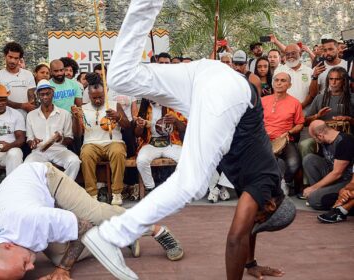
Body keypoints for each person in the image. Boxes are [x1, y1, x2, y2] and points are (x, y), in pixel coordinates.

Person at [81, 1, 296, 280]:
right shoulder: (264, 185)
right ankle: (111, 235)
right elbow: (235, 238)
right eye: (260, 218)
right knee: (191, 183)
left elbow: (247, 232)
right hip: (228, 96)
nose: (251, 219)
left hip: (208, 75)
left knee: (122, 78)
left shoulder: (263, 187)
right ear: (269, 206)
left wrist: (251, 264)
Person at [0, 162, 183, 279]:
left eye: (24, 264)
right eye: (26, 270)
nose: (32, 266)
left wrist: (64, 269)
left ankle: (155, 230)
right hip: (24, 200)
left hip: (43, 178)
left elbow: (84, 225)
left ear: (9, 245)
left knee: (94, 214)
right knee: (57, 255)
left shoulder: (33, 219)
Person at [72, 73, 131, 205]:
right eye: (94, 98)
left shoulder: (114, 105)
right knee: (86, 154)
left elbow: (127, 126)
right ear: (88, 94)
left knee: (118, 152)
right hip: (91, 144)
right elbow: (77, 134)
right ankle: (92, 194)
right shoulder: (83, 108)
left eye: (100, 97)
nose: (98, 100)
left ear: (105, 93)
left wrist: (118, 117)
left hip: (113, 142)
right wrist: (76, 119)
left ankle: (116, 193)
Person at [25, 80, 81, 180]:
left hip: (59, 151)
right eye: (42, 94)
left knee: (74, 161)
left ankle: (63, 187)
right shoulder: (31, 115)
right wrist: (33, 143)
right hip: (39, 152)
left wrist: (60, 139)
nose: (45, 97)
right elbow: (29, 139)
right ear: (38, 96)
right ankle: (39, 192)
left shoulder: (64, 114)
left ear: (53, 93)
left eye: (48, 93)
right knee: (27, 165)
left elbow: (70, 139)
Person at [262, 72, 305, 195]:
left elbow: (300, 124)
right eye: (276, 80)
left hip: (284, 139)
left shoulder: (295, 103)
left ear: (289, 85)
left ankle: (284, 182)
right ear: (273, 83)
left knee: (294, 163)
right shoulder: (263, 101)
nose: (279, 83)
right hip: (264, 139)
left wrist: (289, 132)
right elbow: (255, 121)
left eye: (283, 80)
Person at [303, 120, 354, 210]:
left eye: (315, 138)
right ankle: (318, 192)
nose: (315, 140)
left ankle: (342, 202)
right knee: (309, 159)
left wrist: (313, 188)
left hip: (346, 180)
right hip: (332, 174)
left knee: (314, 200)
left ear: (320, 136)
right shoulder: (325, 141)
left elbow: (337, 173)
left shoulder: (345, 142)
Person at [0, 42, 37, 118]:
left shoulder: (28, 74)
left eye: (16, 58)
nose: (12, 61)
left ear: (20, 59)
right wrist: (22, 105)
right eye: (10, 57)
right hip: (6, 118)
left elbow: (32, 97)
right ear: (5, 56)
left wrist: (30, 106)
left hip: (26, 118)